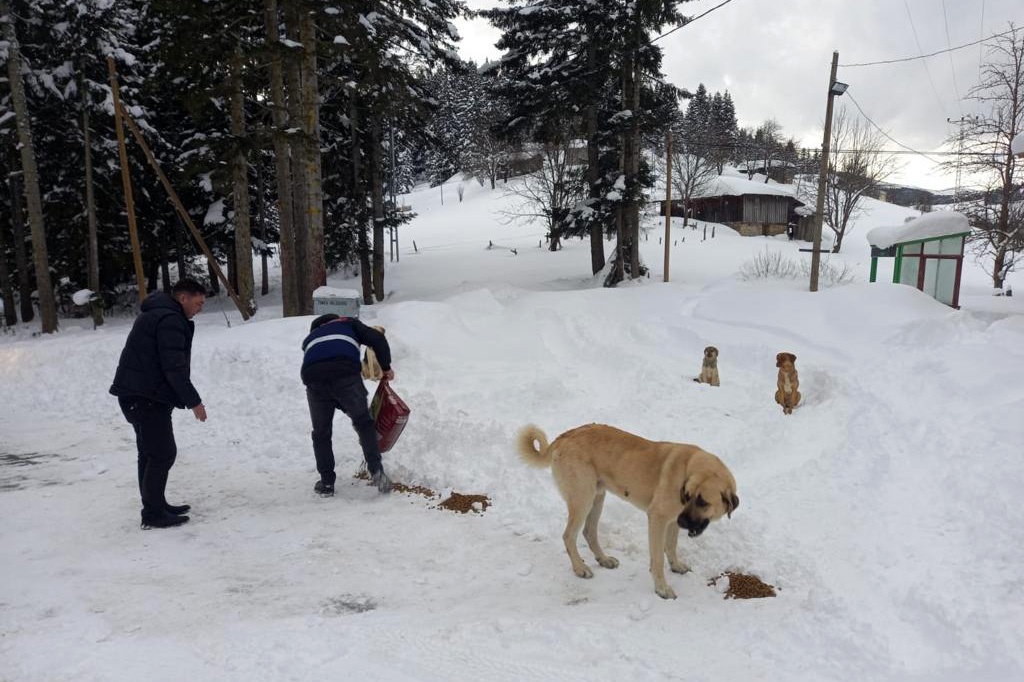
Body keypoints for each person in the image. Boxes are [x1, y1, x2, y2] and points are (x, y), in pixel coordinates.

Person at [110, 278, 208, 529]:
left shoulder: (158, 313)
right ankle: (153, 513)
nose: (200, 308)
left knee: (150, 452)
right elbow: (173, 367)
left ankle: (155, 504)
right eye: (198, 302)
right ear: (183, 298)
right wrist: (194, 401)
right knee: (163, 453)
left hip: (137, 394)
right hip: (146, 396)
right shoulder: (170, 320)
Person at [301, 313, 394, 496]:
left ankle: (327, 484)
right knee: (363, 422)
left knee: (321, 433)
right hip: (345, 375)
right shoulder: (348, 324)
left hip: (314, 380)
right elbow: (377, 338)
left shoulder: (310, 339)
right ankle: (377, 472)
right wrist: (386, 367)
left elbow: (322, 364)